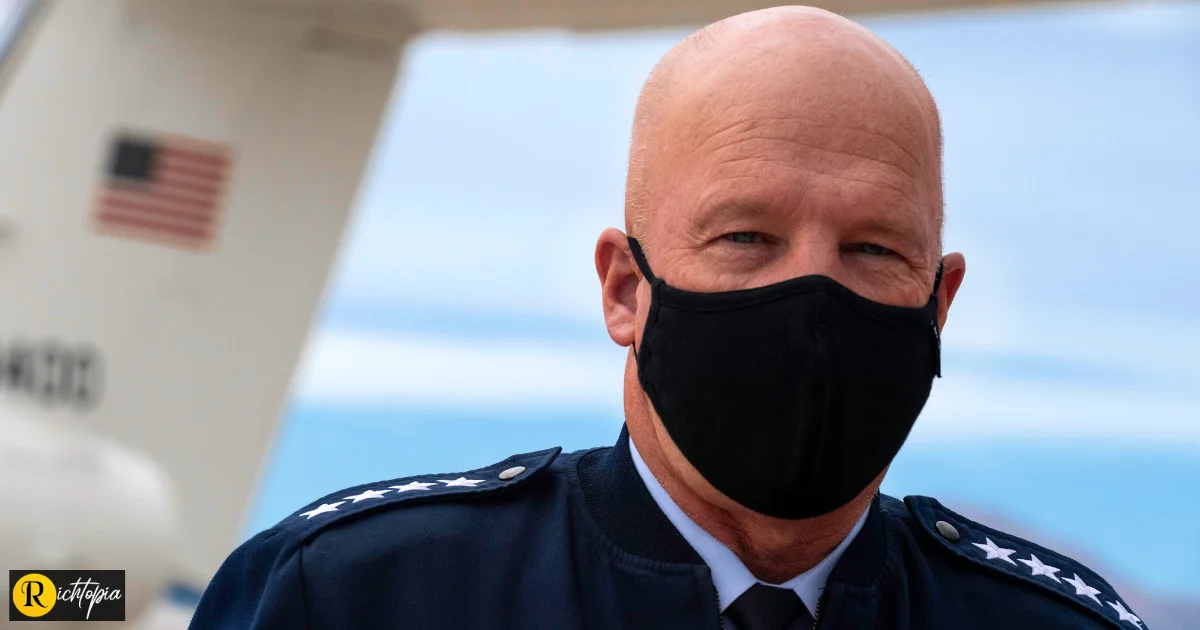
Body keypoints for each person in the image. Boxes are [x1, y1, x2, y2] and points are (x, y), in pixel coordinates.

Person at [189, 6, 1145, 630]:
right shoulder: (353, 599)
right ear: (624, 290)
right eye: (745, 237)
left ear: (938, 306)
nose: (814, 301)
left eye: (873, 251)